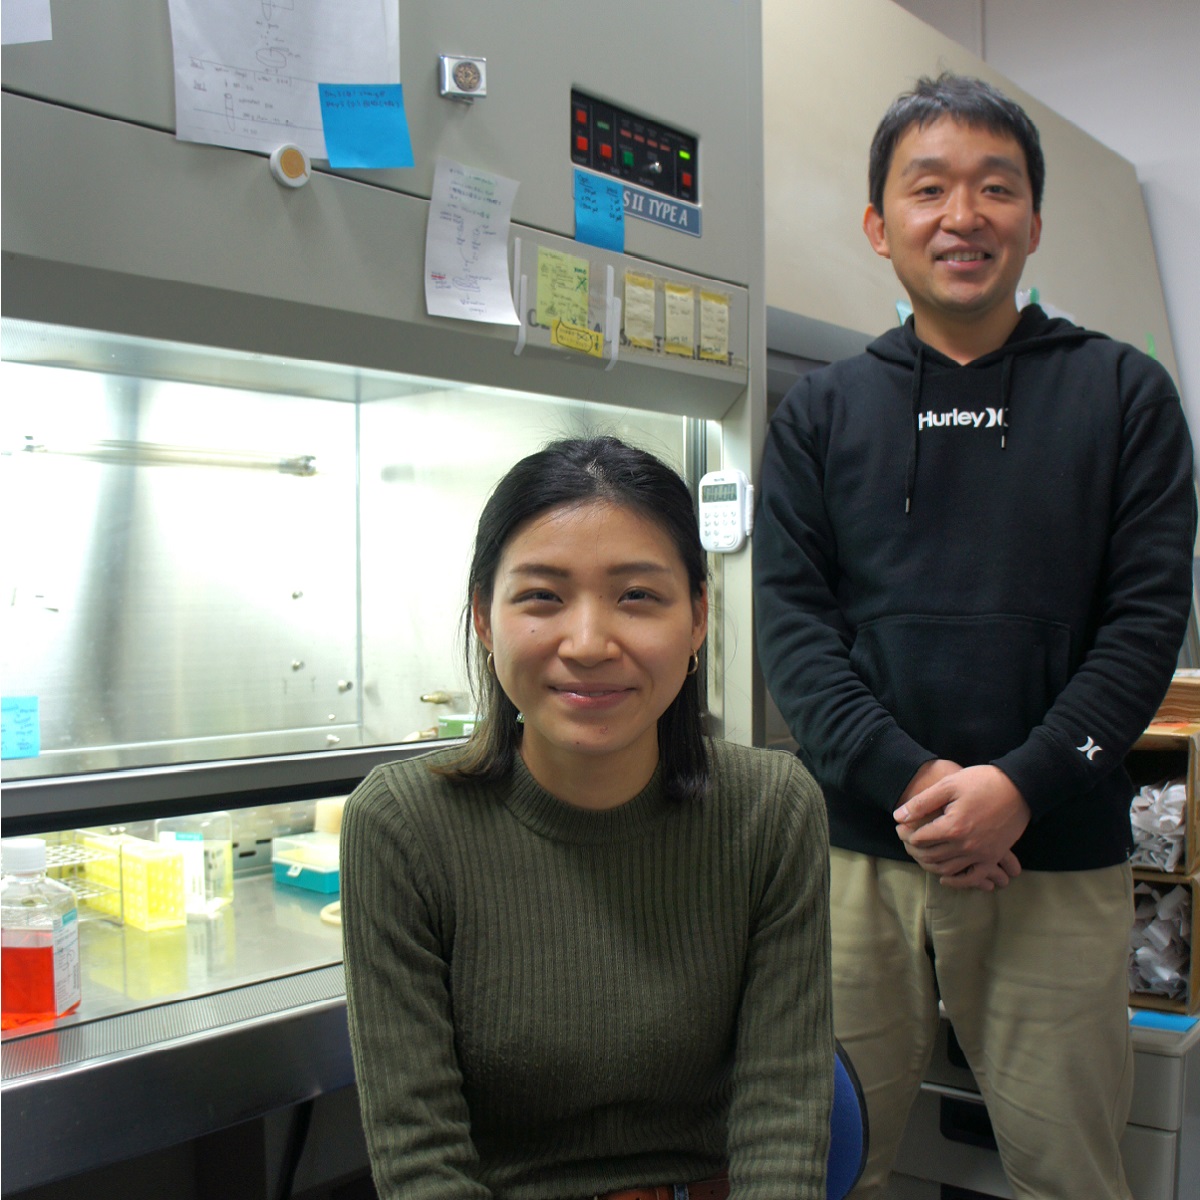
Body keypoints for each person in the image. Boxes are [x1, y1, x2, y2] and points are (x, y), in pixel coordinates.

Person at [753, 73, 1196, 1200]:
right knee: (827, 1167)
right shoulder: (821, 412)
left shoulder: (1125, 395)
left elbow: (1145, 627)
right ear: (879, 225)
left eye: (996, 188)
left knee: (1071, 1170)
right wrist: (918, 782)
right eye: (930, 188)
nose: (964, 215)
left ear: (1033, 222)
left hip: (1054, 856)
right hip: (858, 855)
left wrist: (1023, 786)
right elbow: (794, 632)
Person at [342, 435, 833, 1200]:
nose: (589, 643)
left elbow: (784, 1121)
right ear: (483, 617)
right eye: (542, 596)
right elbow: (421, 1163)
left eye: (637, 596)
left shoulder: (771, 811)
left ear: (698, 618)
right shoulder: (402, 827)